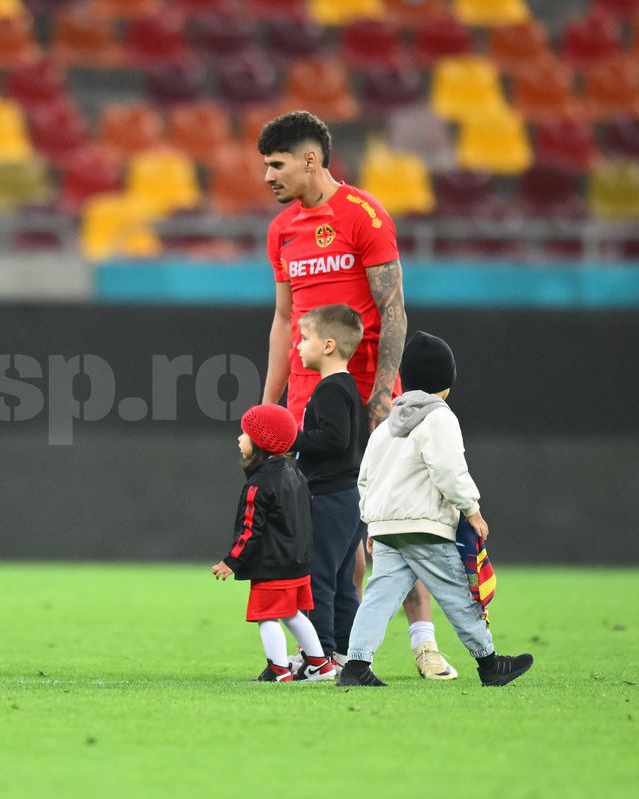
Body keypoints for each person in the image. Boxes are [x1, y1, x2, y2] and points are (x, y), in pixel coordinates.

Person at [257, 110, 456, 680]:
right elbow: (283, 320)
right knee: (322, 532)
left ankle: (424, 643)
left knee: (394, 523)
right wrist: (268, 409)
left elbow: (393, 310)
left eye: (277, 164)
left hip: (369, 396)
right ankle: (330, 649)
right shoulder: (281, 231)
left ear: (311, 159)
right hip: (307, 403)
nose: (268, 177)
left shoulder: (364, 214)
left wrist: (382, 396)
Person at [337, 332, 533, 687]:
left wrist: (371, 524)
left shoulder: (386, 426)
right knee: (458, 594)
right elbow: (448, 469)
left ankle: (356, 665)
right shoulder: (440, 418)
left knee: (378, 597)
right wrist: (471, 510)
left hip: (385, 527)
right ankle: (490, 664)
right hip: (424, 526)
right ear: (446, 384)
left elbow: (365, 478)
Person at [212, 404, 336, 683]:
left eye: (245, 433)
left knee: (266, 617)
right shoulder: (296, 475)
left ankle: (279, 670)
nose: (239, 438)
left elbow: (249, 530)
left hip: (273, 566)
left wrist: (231, 561)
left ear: (261, 441)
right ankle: (320, 665)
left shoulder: (259, 484)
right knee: (292, 613)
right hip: (299, 563)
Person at [289, 304, 367, 671]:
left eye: (304, 338)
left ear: (329, 345)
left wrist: (291, 439)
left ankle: (317, 655)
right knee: (341, 579)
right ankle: (342, 653)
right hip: (349, 497)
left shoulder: (330, 390)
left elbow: (335, 440)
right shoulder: (346, 388)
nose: (298, 346)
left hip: (329, 497)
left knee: (317, 577)